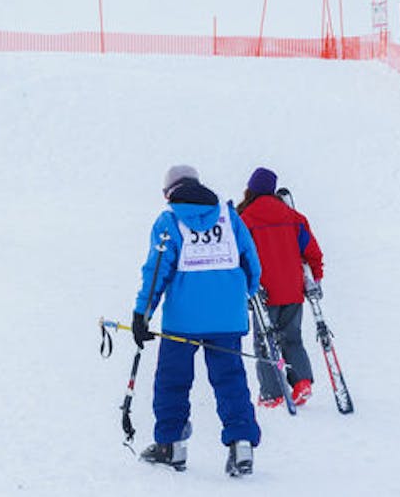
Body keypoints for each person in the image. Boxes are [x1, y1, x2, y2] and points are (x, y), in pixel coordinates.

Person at [133, 165, 262, 477]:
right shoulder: (229, 217)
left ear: (170, 192)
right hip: (228, 318)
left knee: (172, 381)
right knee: (230, 380)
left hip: (183, 321)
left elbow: (156, 272)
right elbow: (251, 262)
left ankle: (171, 446)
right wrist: (240, 294)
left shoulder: (169, 220)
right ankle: (241, 444)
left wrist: (142, 314)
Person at [236, 167, 323, 409]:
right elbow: (312, 252)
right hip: (293, 290)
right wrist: (315, 279)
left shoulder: (244, 220)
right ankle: (302, 382)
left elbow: (239, 258)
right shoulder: (295, 218)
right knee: (292, 337)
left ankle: (271, 393)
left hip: (263, 292)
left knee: (265, 342)